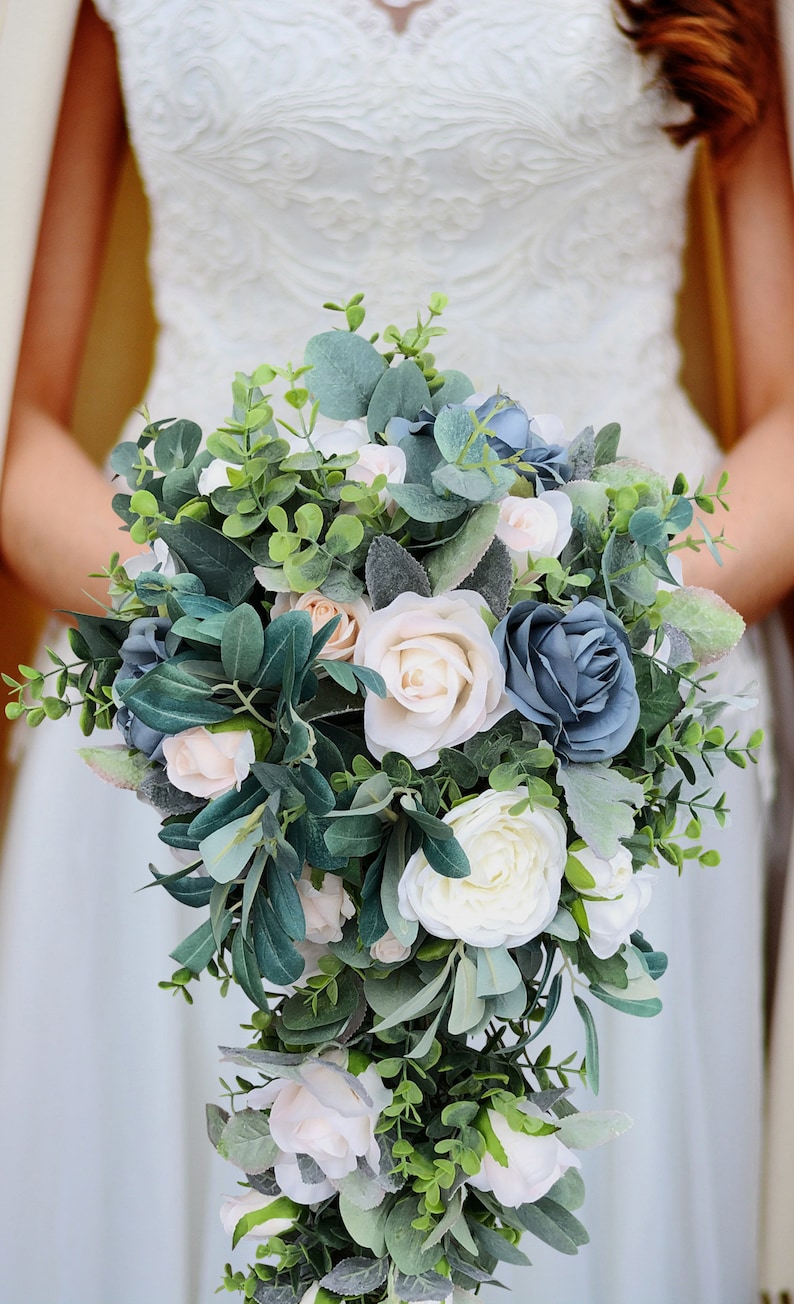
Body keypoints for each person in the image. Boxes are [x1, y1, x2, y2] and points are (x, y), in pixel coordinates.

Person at [0, 1, 792, 1301]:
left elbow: (787, 423)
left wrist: (562, 647)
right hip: (186, 722)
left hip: (611, 727)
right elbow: (13, 421)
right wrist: (234, 645)